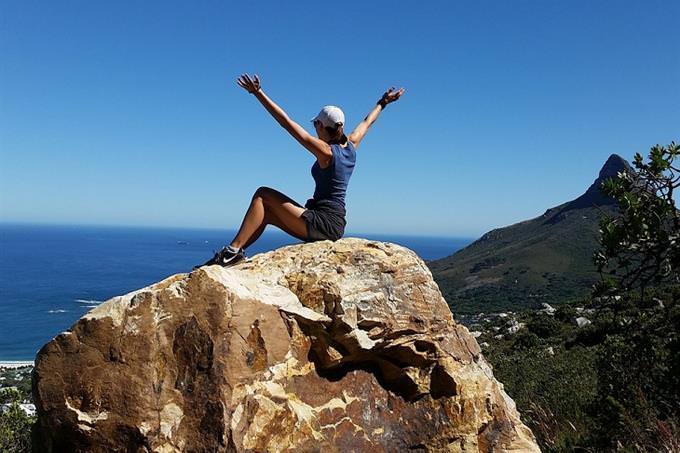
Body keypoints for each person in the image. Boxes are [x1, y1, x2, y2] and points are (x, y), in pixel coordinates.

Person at [195, 73, 405, 268]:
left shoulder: (326, 152)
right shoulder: (351, 145)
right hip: (333, 222)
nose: (314, 128)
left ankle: (230, 253)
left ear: (323, 127)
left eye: (316, 124)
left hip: (323, 223)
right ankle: (236, 253)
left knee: (262, 194)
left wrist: (258, 93)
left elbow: (286, 123)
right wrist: (383, 102)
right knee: (266, 213)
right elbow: (368, 122)